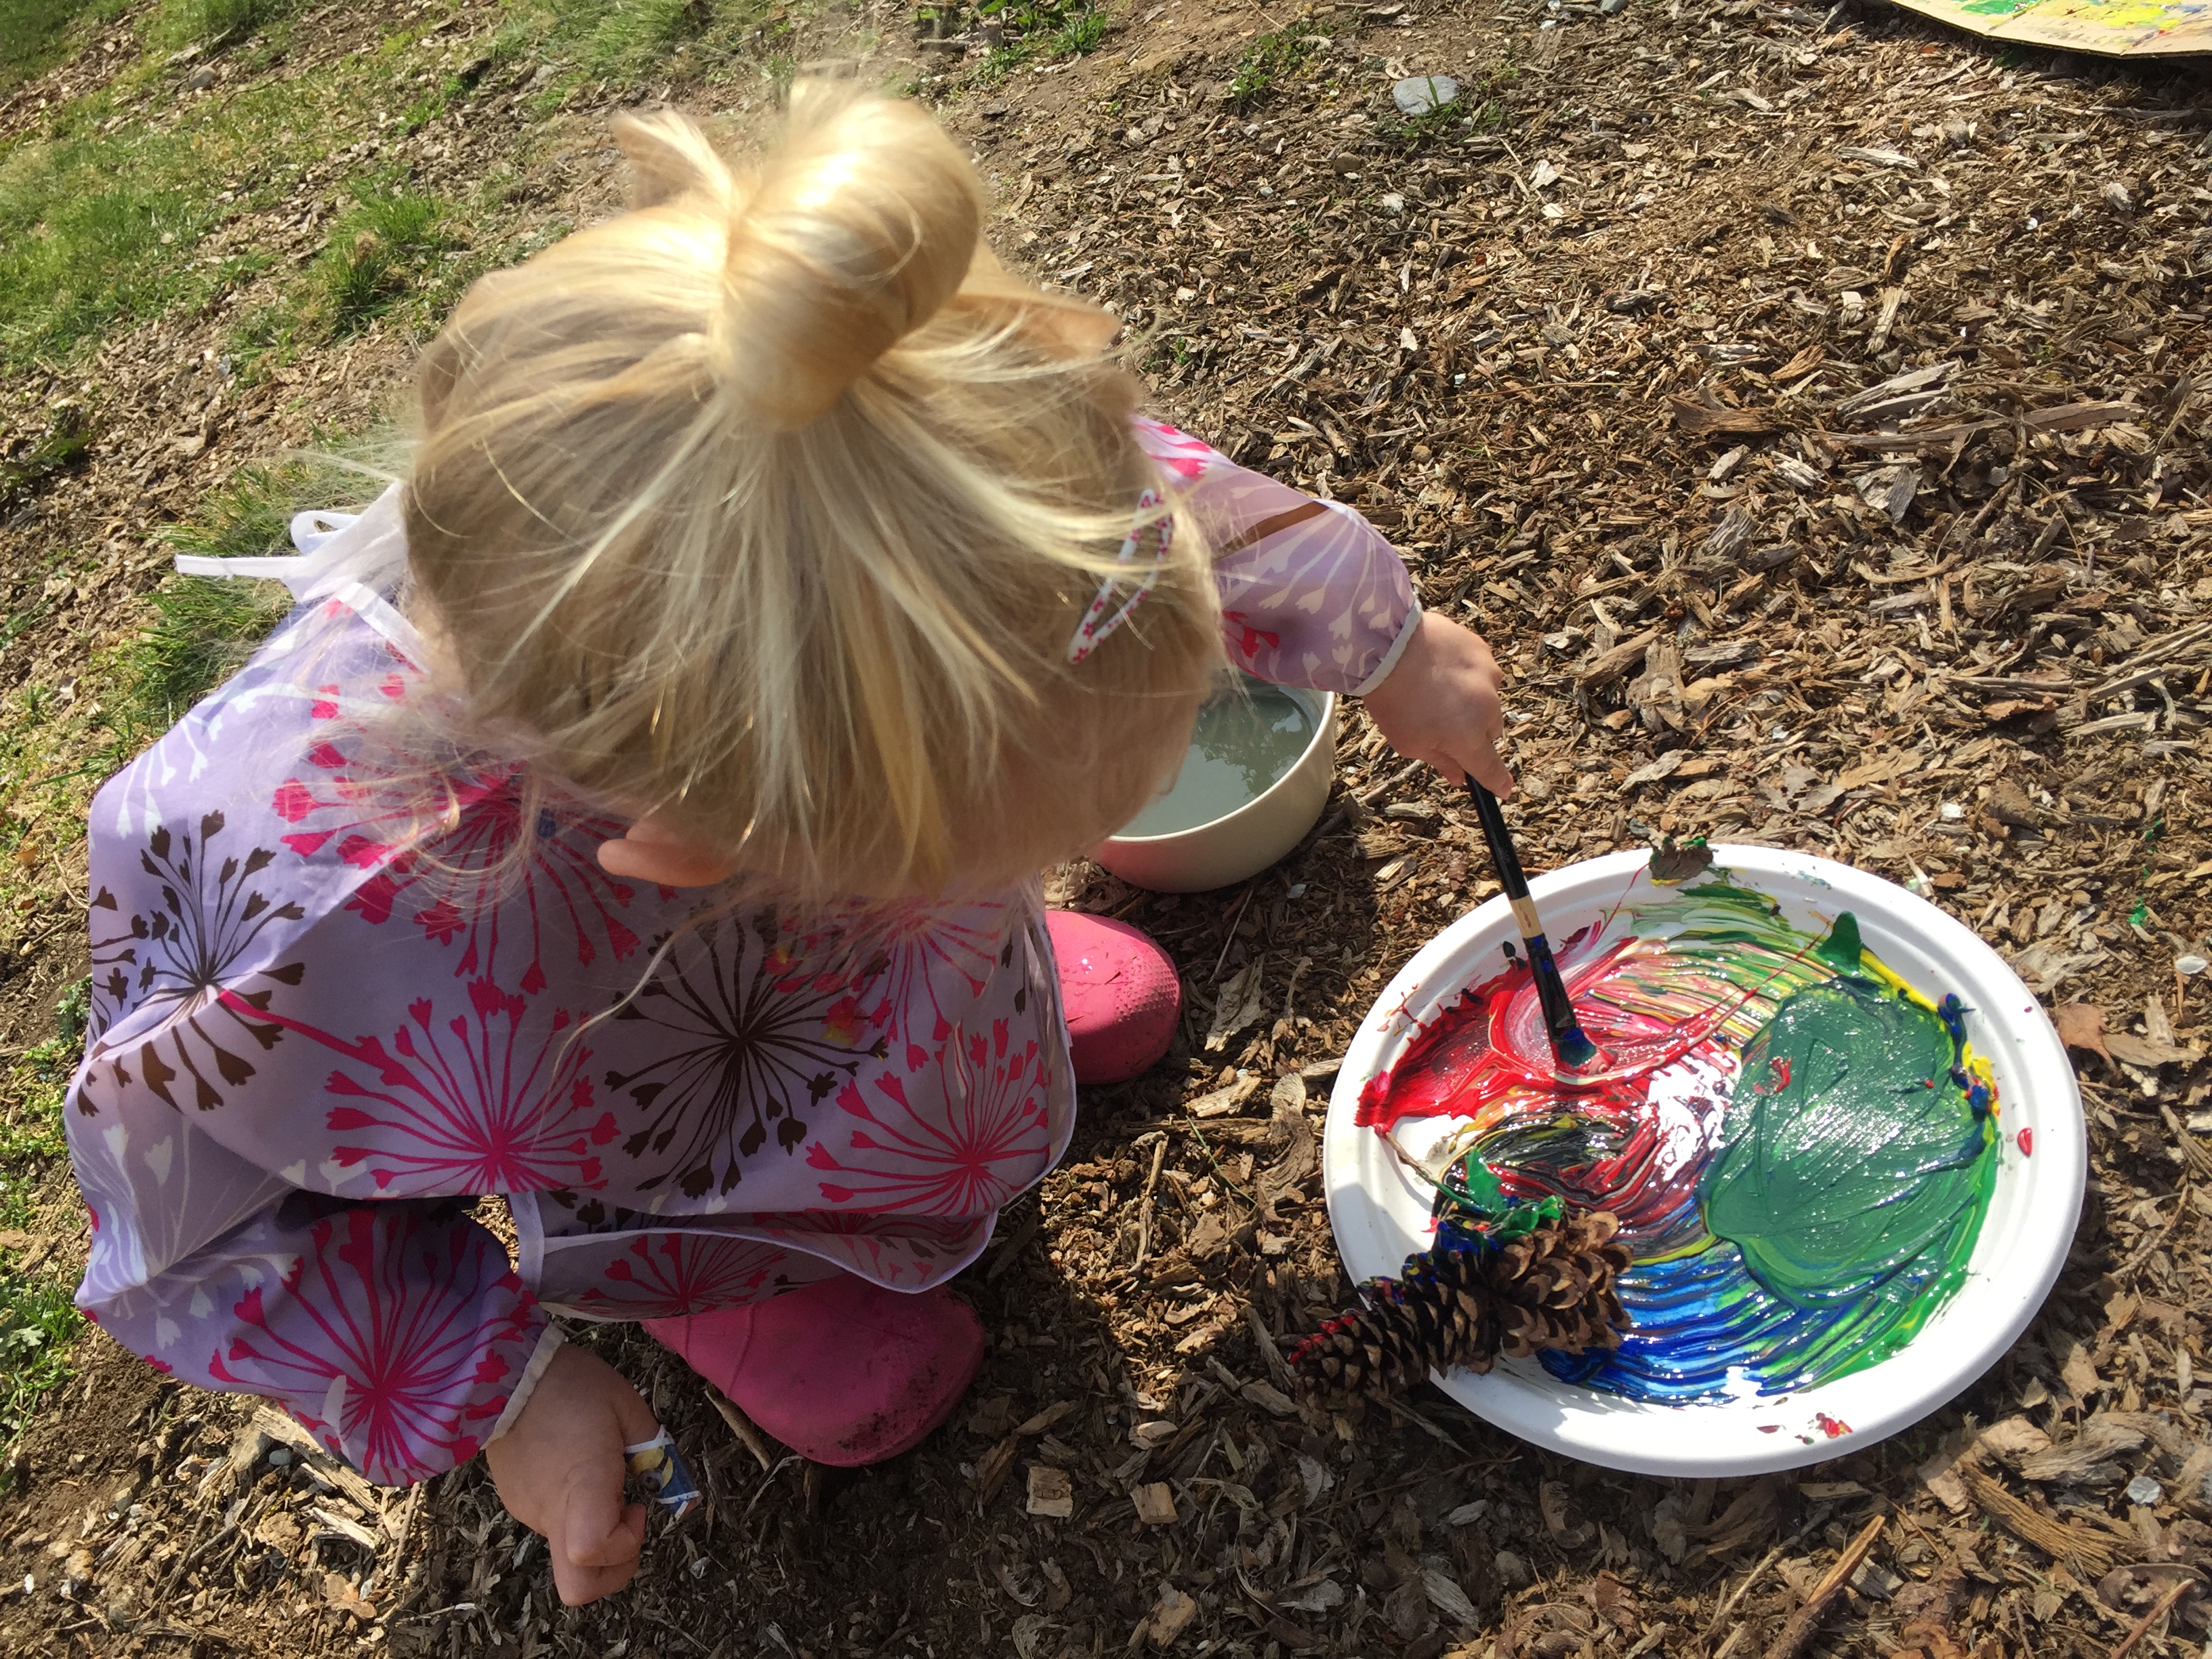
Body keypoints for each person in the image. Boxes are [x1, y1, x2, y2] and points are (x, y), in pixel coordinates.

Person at [66, 80, 1512, 1606]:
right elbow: (192, 1220)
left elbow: (1114, 509)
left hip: (826, 920)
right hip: (638, 1109)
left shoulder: (886, 448)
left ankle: (955, 1041)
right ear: (712, 850)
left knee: (947, 964)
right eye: (993, 855)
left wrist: (1376, 629)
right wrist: (498, 1387)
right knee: (724, 1162)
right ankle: (734, 1284)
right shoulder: (317, 915)